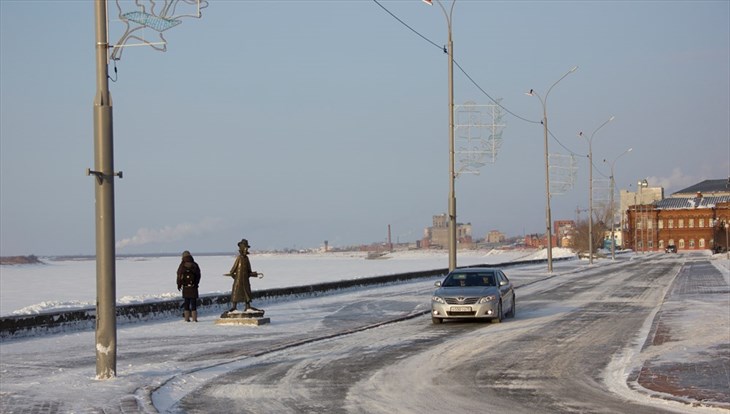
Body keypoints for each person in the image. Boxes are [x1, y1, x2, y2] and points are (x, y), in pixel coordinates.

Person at [225, 239, 261, 312]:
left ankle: (248, 306)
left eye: (247, 248)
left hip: (245, 280)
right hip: (238, 280)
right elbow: (233, 269)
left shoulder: (246, 259)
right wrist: (234, 277)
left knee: (247, 293)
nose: (246, 249)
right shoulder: (239, 258)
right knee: (236, 292)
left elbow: (249, 270)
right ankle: (234, 307)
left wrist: (254, 274)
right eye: (245, 248)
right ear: (241, 248)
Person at [176, 250, 201, 322]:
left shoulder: (182, 265)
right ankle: (194, 318)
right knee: (193, 302)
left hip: (185, 287)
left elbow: (179, 275)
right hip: (193, 287)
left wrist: (179, 284)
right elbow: (198, 275)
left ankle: (186, 318)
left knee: (186, 302)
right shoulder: (195, 264)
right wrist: (196, 284)